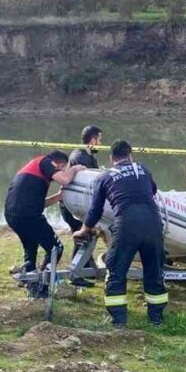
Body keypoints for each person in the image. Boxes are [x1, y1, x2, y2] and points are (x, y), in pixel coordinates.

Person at [74, 140, 168, 327]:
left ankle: (119, 320)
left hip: (127, 225)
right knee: (154, 270)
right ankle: (156, 318)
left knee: (116, 271)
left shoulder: (104, 177)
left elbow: (95, 210)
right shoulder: (142, 169)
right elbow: (153, 190)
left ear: (111, 158)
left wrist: (84, 229)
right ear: (130, 155)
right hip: (153, 223)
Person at [4, 151, 83, 292]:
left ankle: (31, 283)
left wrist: (59, 196)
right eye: (63, 167)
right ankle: (43, 285)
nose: (62, 171)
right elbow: (65, 180)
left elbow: (40, 204)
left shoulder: (35, 172)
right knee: (56, 249)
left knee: (30, 247)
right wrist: (74, 169)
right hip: (29, 215)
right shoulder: (45, 162)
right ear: (59, 164)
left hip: (13, 215)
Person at [64, 125, 102, 286]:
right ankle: (76, 276)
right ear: (93, 140)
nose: (101, 143)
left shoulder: (89, 156)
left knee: (87, 236)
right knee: (83, 236)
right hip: (72, 204)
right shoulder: (79, 156)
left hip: (82, 204)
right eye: (100, 140)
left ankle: (87, 268)